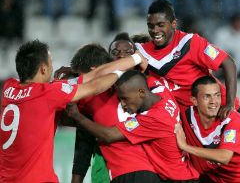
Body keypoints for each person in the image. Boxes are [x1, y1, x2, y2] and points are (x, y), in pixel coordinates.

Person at [0, 40, 147, 182]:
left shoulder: (9, 87)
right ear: (43, 69)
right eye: (51, 63)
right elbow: (94, 84)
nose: (52, 68)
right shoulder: (48, 93)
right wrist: (128, 69)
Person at [134, 0, 240, 144]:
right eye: (150, 26)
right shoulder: (143, 52)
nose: (155, 31)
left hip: (220, 110)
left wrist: (229, 104)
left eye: (160, 25)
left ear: (173, 24)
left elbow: (228, 63)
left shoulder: (191, 42)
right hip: (192, 121)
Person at [67, 70, 200, 182]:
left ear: (141, 92)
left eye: (125, 98)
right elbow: (140, 75)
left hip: (178, 179)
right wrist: (81, 74)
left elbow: (109, 136)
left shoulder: (153, 119)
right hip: (183, 173)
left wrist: (77, 116)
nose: (123, 105)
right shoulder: (162, 91)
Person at [67, 44, 161, 183]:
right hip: (143, 171)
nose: (79, 81)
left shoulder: (92, 96)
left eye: (80, 76)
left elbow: (104, 136)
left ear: (93, 72)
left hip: (133, 174)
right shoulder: (134, 88)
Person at [174, 76, 240, 182]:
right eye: (207, 97)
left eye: (217, 96)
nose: (213, 102)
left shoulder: (231, 119)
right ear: (194, 100)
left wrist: (185, 147)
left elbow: (224, 157)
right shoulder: (187, 114)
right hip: (212, 178)